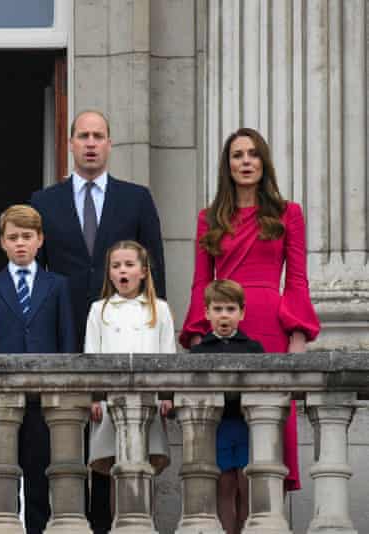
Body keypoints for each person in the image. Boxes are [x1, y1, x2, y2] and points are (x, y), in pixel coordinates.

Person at [30, 109, 165, 533]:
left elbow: (156, 274)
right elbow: (36, 277)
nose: (91, 143)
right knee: (57, 440)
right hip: (64, 333)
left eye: (98, 136)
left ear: (109, 144)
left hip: (123, 336)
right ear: (70, 143)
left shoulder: (136, 198)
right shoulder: (44, 202)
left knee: (114, 441)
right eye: (83, 136)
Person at [179, 128, 321, 492]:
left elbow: (297, 280)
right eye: (238, 155)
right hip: (222, 330)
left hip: (271, 327)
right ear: (227, 165)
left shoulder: (289, 213)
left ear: (264, 162)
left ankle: (268, 514)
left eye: (253, 154)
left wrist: (298, 336)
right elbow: (200, 282)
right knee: (225, 437)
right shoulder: (208, 218)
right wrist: (197, 335)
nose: (246, 162)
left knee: (269, 428)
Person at [0, 204, 75, 534]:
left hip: (45, 399)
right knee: (2, 475)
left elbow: (67, 341)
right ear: (2, 242)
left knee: (40, 474)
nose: (20, 243)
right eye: (13, 237)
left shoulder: (57, 285)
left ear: (40, 240)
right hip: (2, 398)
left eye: (27, 236)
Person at [84, 240, 173, 523]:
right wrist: (95, 397)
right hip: (111, 402)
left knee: (145, 467)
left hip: (149, 401)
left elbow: (168, 355)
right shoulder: (99, 309)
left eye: (129, 264)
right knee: (116, 469)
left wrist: (166, 395)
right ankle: (119, 525)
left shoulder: (159, 309)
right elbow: (91, 356)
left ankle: (145, 524)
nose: (122, 270)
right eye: (116, 265)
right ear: (109, 273)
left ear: (143, 271)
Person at [190, 279, 264, 534]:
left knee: (247, 486)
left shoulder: (254, 349)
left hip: (247, 428)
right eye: (218, 309)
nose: (224, 315)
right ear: (207, 313)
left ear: (242, 313)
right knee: (224, 487)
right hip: (217, 429)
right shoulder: (199, 352)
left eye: (230, 309)